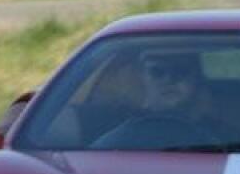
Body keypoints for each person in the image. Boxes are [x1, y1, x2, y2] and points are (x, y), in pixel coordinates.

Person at [90, 50, 226, 149]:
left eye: (180, 71)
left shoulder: (229, 137)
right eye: (157, 71)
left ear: (196, 79)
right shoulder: (117, 141)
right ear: (143, 77)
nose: (169, 80)